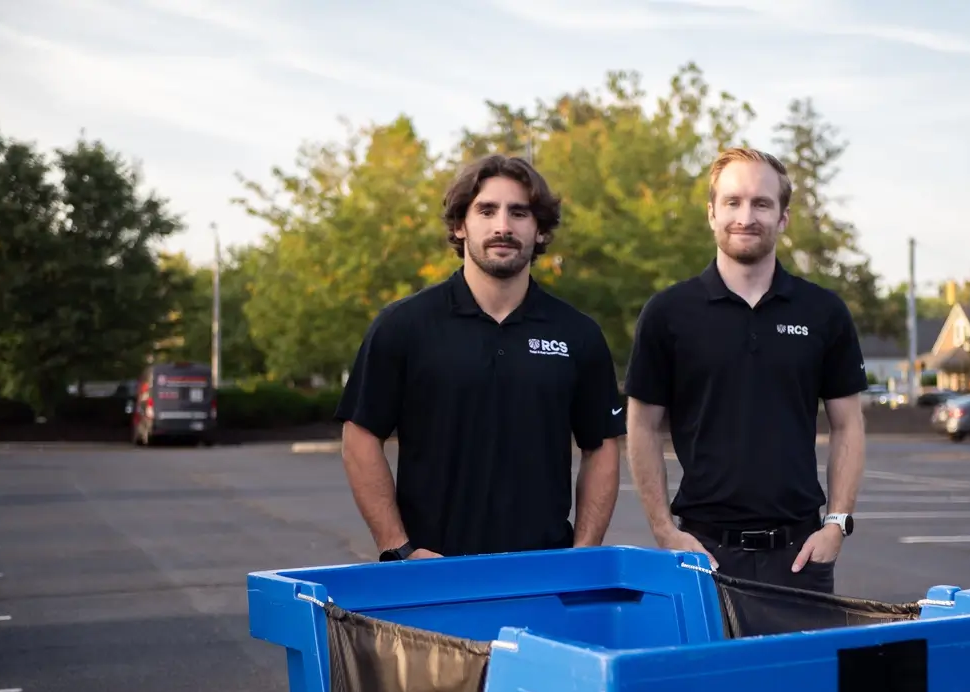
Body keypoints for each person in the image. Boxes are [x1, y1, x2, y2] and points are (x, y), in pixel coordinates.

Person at [334, 154, 625, 562]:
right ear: (459, 225)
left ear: (540, 230)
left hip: (544, 573)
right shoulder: (404, 326)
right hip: (432, 573)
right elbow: (361, 436)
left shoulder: (577, 334)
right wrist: (398, 548)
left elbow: (602, 446)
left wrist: (582, 554)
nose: (502, 226)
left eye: (519, 213)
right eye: (486, 210)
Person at [623, 147, 867, 594]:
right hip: (702, 553)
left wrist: (836, 524)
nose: (746, 215)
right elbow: (641, 425)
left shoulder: (824, 312)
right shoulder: (669, 313)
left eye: (761, 203)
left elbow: (848, 423)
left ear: (783, 218)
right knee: (708, 668)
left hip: (800, 556)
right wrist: (664, 530)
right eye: (733, 202)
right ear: (711, 213)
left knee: (797, 668)